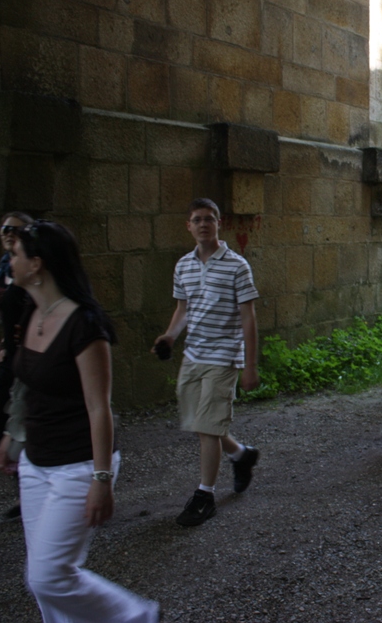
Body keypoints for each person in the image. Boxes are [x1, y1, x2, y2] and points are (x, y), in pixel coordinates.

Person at [0, 220, 159, 622]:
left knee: (49, 577)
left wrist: (102, 479)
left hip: (78, 464)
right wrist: (11, 436)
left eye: (15, 254)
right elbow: (27, 386)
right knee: (43, 578)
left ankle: (137, 616)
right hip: (36, 462)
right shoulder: (31, 311)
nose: (9, 261)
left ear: (37, 264)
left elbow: (99, 407)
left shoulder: (85, 324)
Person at [154, 198, 260, 527]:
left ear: (218, 224)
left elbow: (249, 318)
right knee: (199, 423)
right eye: (197, 219)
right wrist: (170, 336)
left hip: (223, 356)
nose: (203, 224)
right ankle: (241, 455)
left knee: (208, 427)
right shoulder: (183, 265)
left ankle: (205, 496)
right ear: (189, 226)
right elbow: (183, 310)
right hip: (193, 355)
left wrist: (250, 366)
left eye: (209, 219)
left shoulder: (237, 266)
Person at [0, 211, 34, 517]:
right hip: (12, 356)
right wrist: (5, 341)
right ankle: (28, 488)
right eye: (4, 228)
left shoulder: (34, 267)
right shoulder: (6, 266)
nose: (7, 232)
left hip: (32, 356)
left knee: (35, 423)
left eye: (15, 229)